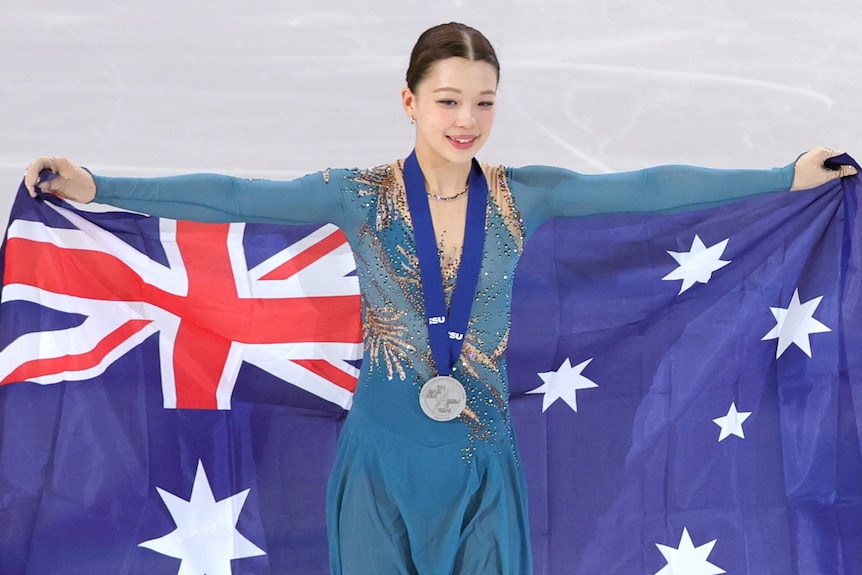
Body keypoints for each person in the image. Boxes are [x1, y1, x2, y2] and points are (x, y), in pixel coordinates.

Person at [23, 21, 855, 575]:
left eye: (484, 101)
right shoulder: (358, 195)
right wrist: (99, 183)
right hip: (380, 465)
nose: (468, 119)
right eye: (450, 100)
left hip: (482, 465)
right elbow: (237, 191)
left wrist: (785, 175)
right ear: (410, 100)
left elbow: (649, 186)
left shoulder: (523, 196)